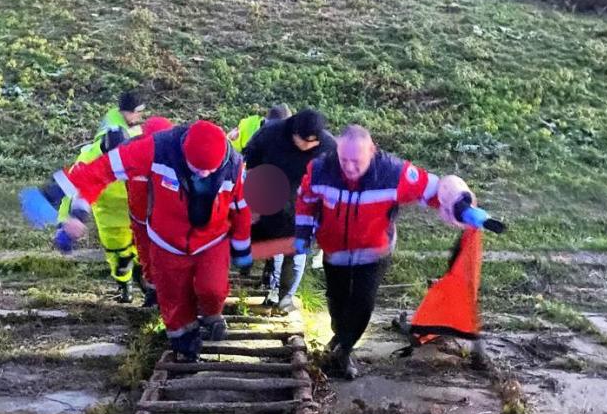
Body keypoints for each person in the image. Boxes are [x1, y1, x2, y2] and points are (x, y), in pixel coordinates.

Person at [55, 120, 252, 362]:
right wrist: (77, 213)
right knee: (174, 303)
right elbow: (103, 169)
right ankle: (186, 347)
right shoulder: (158, 149)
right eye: (197, 168)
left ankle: (211, 315)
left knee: (213, 289)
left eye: (209, 170)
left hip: (212, 240)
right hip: (166, 242)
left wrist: (242, 247)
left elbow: (241, 207)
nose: (203, 174)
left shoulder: (234, 165)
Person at [294, 125, 476, 379]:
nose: (349, 167)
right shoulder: (321, 170)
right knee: (337, 299)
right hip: (335, 251)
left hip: (373, 251)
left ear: (372, 151)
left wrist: (459, 203)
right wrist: (303, 234)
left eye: (356, 161)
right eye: (344, 160)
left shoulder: (393, 173)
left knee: (362, 303)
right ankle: (340, 335)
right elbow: (306, 200)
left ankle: (344, 351)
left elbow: (434, 189)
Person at [243, 108, 335, 311]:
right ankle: (273, 291)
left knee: (297, 253)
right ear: (294, 133)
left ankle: (286, 297)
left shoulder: (329, 146)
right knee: (276, 248)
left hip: (305, 205)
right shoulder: (269, 135)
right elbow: (252, 168)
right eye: (306, 141)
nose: (310, 146)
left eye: (314, 142)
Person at [50, 126, 138, 302]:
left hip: (140, 210)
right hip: (109, 215)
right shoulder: (88, 161)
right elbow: (71, 194)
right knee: (119, 256)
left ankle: (150, 289)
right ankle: (125, 285)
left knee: (149, 252)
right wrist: (65, 223)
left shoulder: (141, 144)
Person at [128, 116, 175, 307]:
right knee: (148, 254)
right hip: (144, 218)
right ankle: (155, 292)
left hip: (160, 220)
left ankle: (162, 293)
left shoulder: (175, 160)